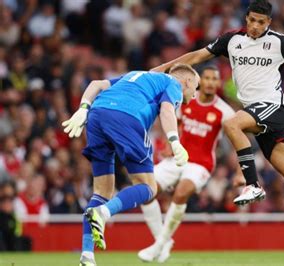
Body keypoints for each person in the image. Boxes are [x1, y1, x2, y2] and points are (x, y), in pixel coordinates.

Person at [151, 0, 284, 240]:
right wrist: (163, 67)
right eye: (252, 20)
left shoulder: (278, 42)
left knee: (231, 123)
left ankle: (252, 184)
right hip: (257, 112)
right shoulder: (231, 40)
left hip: (274, 108)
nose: (255, 26)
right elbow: (197, 55)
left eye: (261, 22)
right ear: (246, 18)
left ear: (269, 23)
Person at [61, 64, 200, 266]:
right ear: (187, 81)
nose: (194, 95)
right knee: (149, 187)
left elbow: (96, 84)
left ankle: (87, 256)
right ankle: (103, 213)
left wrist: (83, 108)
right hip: (126, 118)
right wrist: (175, 141)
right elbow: (167, 110)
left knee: (101, 191)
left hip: (97, 115)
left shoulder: (135, 75)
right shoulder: (173, 83)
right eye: (195, 87)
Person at [137, 66, 235, 263]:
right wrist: (168, 145)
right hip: (177, 158)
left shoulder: (224, 111)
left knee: (181, 193)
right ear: (200, 80)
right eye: (206, 78)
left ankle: (158, 245)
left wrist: (241, 172)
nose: (209, 82)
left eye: (213, 79)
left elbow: (237, 140)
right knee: (144, 190)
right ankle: (163, 242)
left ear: (218, 83)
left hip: (201, 163)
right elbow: (174, 121)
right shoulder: (186, 98)